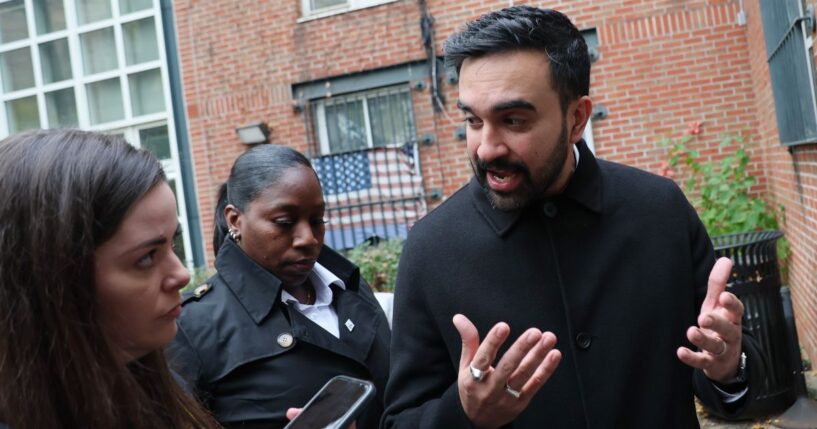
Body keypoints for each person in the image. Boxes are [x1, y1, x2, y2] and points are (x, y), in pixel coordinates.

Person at [382, 6, 767, 428]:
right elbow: (401, 419)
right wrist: (464, 413)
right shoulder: (431, 249)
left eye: (513, 120)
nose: (487, 148)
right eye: (473, 120)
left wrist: (729, 366)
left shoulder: (660, 211)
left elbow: (732, 377)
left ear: (577, 118)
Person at [0, 129, 219, 429]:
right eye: (146, 258)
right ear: (52, 280)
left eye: (173, 243)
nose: (180, 275)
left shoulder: (156, 384)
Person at [167, 144, 391, 429]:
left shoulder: (351, 289)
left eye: (317, 220)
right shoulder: (193, 327)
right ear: (235, 219)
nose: (308, 238)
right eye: (285, 222)